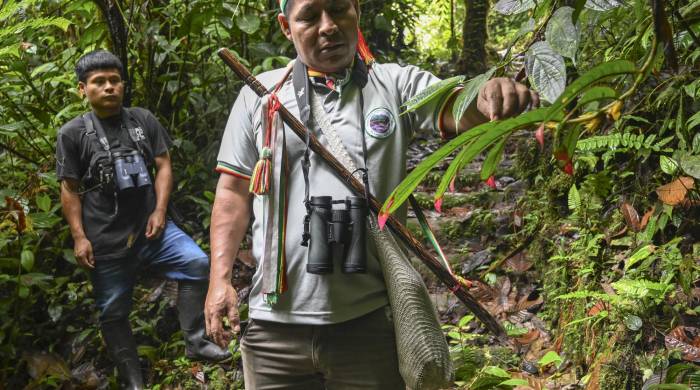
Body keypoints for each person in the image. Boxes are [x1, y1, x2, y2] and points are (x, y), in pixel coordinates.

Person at [206, 0, 539, 388]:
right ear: (286, 26)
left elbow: (459, 106)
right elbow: (232, 193)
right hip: (274, 330)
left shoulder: (395, 85)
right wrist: (219, 279)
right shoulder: (260, 94)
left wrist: (488, 94)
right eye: (310, 16)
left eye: (338, 10)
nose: (328, 26)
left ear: (357, 11)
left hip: (368, 324)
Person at [56, 50, 230, 390]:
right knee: (113, 310)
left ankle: (195, 341)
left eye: (114, 80)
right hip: (106, 238)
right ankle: (133, 380)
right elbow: (69, 189)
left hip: (153, 228)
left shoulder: (141, 120)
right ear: (82, 89)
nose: (109, 87)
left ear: (123, 84)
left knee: (196, 263)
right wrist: (79, 236)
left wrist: (160, 211)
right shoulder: (73, 133)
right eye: (99, 82)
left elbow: (163, 164)